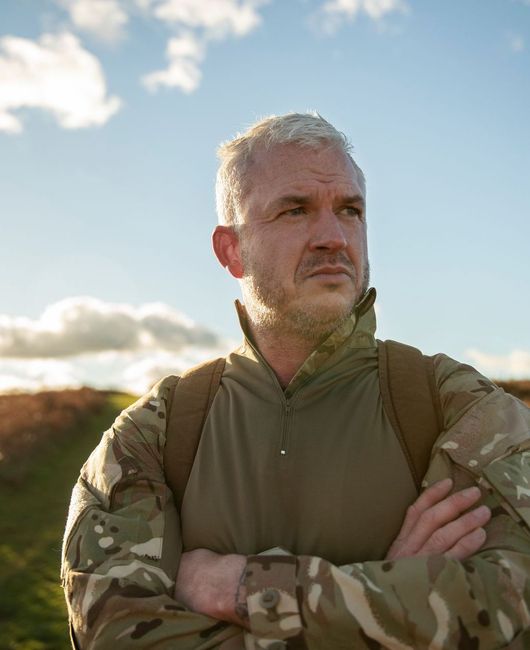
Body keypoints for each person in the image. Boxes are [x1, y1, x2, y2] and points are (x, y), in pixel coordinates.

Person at [61, 113, 530, 649]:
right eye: (295, 210)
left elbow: (512, 604)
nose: (333, 237)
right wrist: (390, 599)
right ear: (230, 250)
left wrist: (246, 588)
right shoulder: (155, 433)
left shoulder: (454, 404)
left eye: (350, 210)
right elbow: (114, 633)